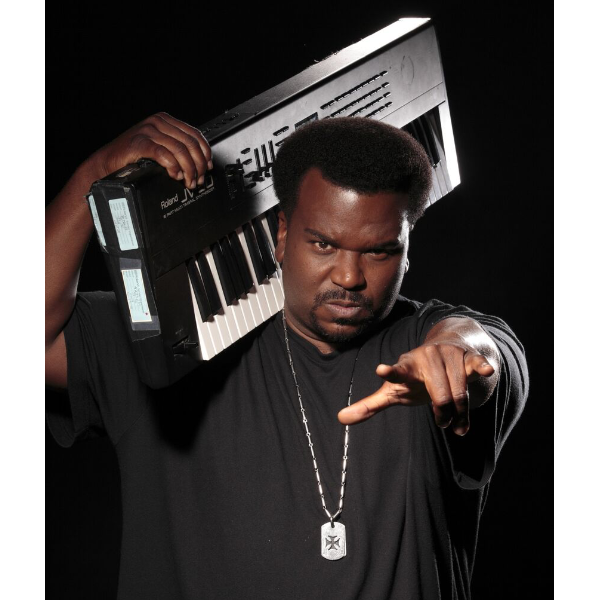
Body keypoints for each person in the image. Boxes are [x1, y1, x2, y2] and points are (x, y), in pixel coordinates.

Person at [45, 112, 528, 599]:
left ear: (406, 248)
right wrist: (93, 176)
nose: (348, 277)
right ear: (281, 234)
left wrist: (456, 355)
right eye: (323, 244)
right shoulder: (167, 344)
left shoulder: (426, 338)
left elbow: (481, 351)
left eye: (379, 251)